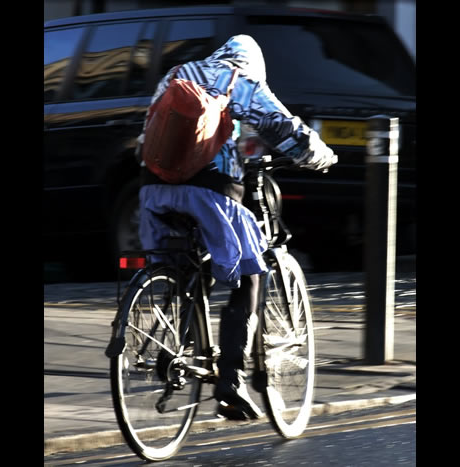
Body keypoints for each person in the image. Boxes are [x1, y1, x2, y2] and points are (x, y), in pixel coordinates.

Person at [136, 35, 337, 420]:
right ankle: (231, 380)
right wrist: (321, 156)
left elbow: (146, 136)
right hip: (210, 197)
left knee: (186, 265)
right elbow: (285, 130)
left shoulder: (177, 74)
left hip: (153, 192)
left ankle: (176, 338)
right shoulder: (240, 81)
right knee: (250, 275)